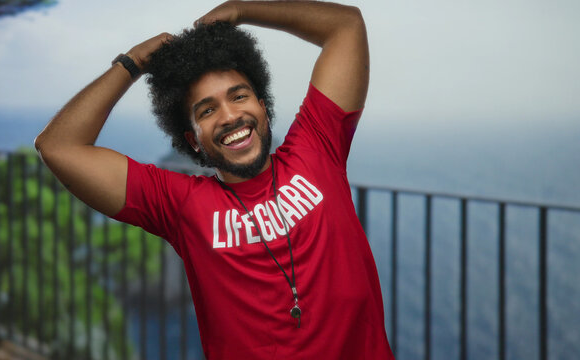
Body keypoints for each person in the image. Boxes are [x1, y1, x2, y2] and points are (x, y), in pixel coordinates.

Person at [35, 1, 394, 358]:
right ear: (193, 140)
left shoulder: (317, 147)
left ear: (263, 108)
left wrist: (243, 9)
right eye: (207, 111)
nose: (230, 116)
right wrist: (131, 63)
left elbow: (346, 25)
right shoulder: (179, 204)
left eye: (239, 96)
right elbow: (58, 146)